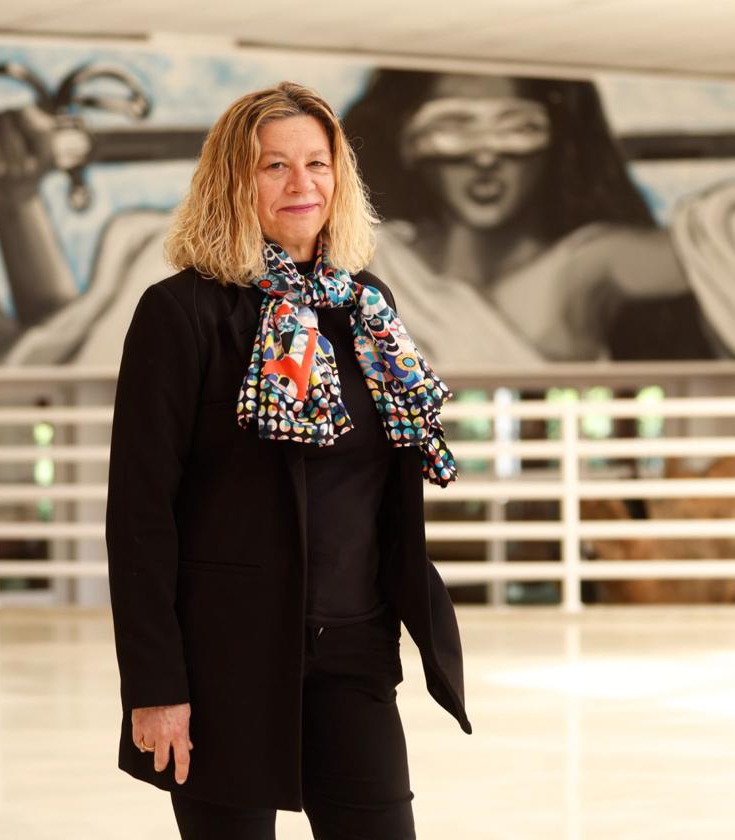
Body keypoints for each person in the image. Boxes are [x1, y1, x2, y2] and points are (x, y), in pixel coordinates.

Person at [104, 81, 470, 840]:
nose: (301, 184)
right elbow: (140, 516)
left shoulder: (366, 307)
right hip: (224, 660)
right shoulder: (181, 314)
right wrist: (154, 687)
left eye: (317, 162)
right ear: (233, 183)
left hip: (357, 649)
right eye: (274, 166)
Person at [345, 69, 735, 363]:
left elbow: (731, 236)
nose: (486, 156)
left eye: (517, 129)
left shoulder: (584, 265)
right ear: (407, 144)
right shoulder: (376, 261)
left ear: (555, 142)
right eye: (452, 130)